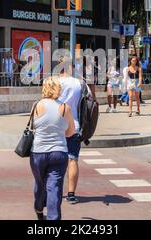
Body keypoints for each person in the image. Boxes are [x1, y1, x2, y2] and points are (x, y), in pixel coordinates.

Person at [30, 77, 75, 220]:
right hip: (58, 152)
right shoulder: (65, 108)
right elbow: (71, 132)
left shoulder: (36, 105)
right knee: (54, 187)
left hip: (38, 152)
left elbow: (32, 127)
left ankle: (38, 207)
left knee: (40, 183)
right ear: (58, 89)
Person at [58, 56, 85, 204]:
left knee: (54, 159)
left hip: (56, 126)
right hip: (74, 125)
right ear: (70, 67)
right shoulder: (79, 83)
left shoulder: (54, 82)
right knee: (73, 159)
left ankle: (54, 190)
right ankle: (71, 194)